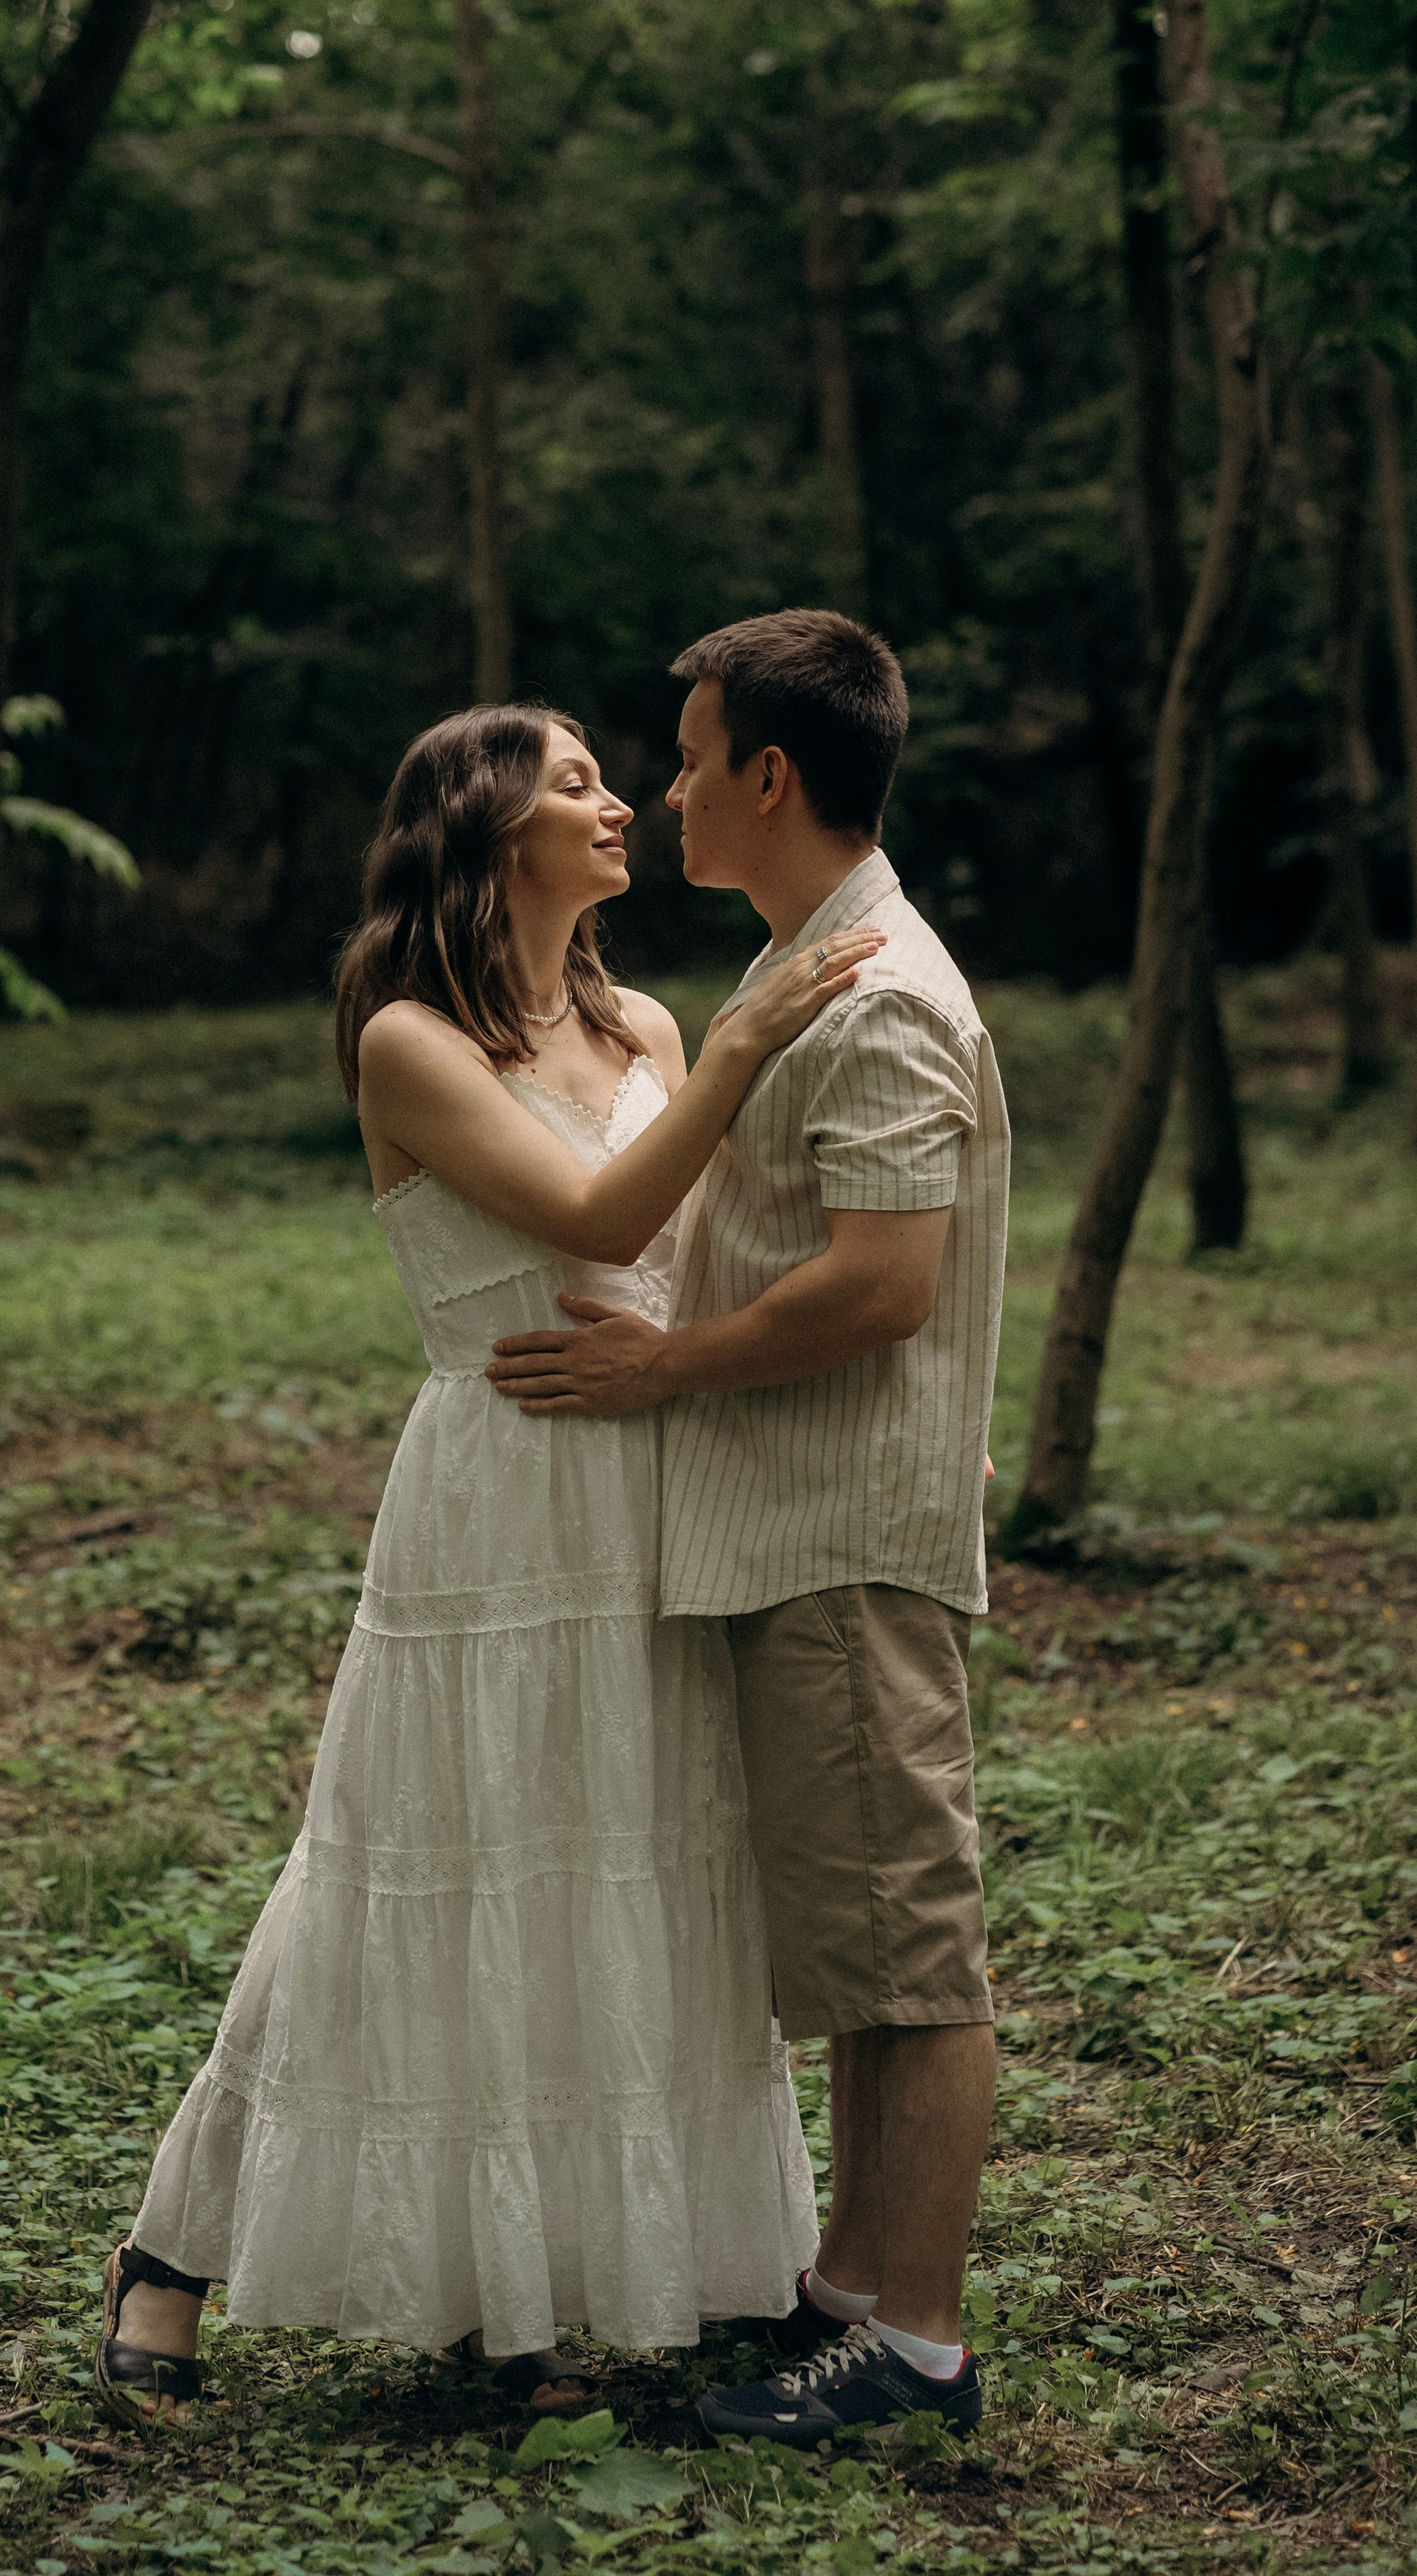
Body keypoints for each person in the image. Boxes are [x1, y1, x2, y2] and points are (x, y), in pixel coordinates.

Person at [96, 703, 884, 2428]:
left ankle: (535, 2292)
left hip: (654, 1486)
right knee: (413, 1878)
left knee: (618, 1869)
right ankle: (169, 2256)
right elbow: (593, 1224)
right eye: (583, 778)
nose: (625, 803)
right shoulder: (407, 1041)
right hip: (497, 1494)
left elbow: (694, 1250)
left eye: (620, 774)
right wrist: (747, 1048)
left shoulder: (646, 1022)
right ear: (482, 823)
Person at [488, 611, 1009, 2446]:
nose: (666, 789)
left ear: (767, 777)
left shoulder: (870, 990)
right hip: (796, 1525)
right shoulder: (811, 960)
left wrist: (664, 1368)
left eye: (692, 757)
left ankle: (915, 2349)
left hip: (836, 1526)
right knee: (856, 1950)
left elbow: (880, 1287)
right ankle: (843, 2296)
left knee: (908, 1948)